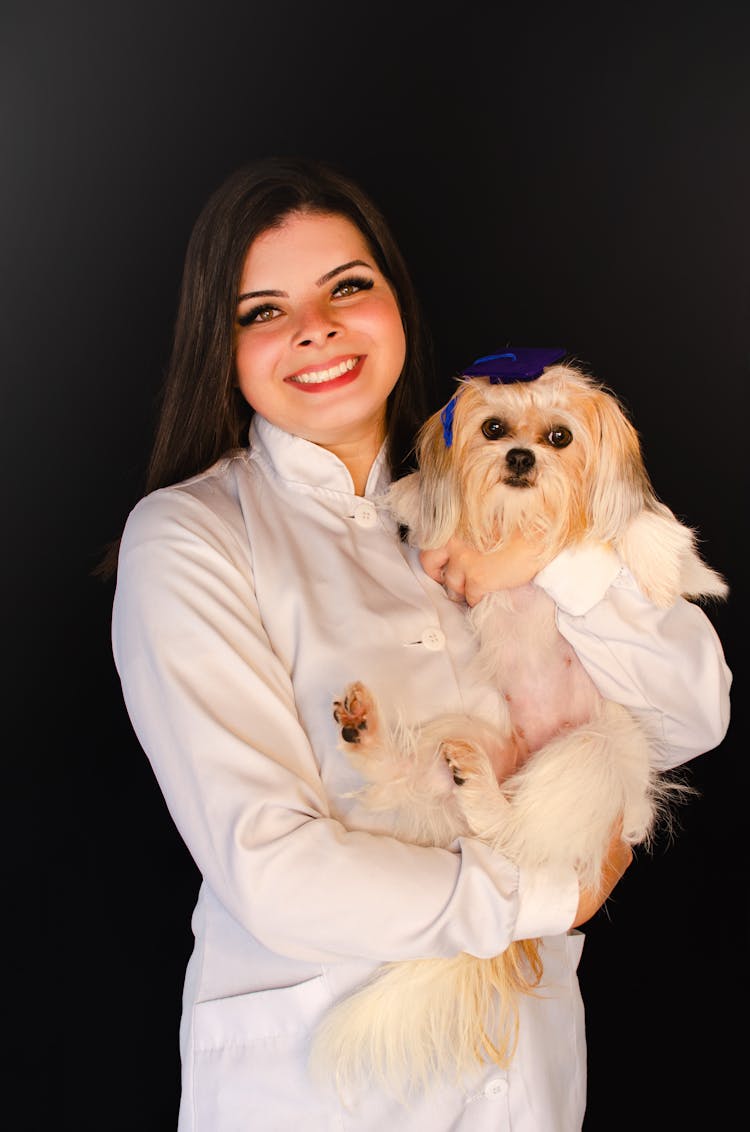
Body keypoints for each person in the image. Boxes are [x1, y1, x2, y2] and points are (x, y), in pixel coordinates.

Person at [108, 156, 731, 1131]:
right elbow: (269, 867)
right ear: (219, 346)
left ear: (394, 300)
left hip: (526, 1081)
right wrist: (541, 898)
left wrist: (549, 564)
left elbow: (692, 710)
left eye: (347, 287)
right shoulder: (191, 536)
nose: (316, 326)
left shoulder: (500, 475)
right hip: (322, 1091)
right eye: (262, 309)